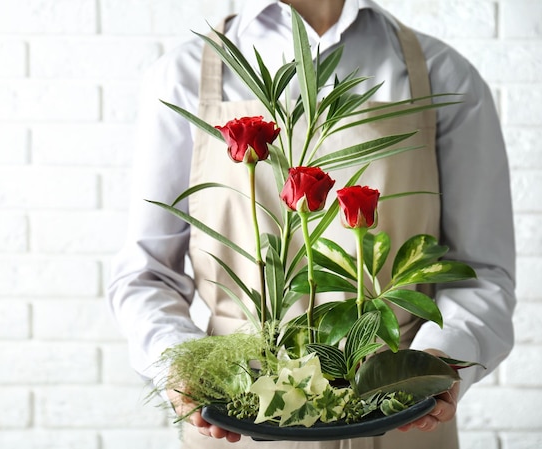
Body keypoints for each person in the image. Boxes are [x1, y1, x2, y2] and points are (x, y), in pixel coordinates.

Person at [108, 0, 516, 448]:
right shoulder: (186, 73)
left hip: (398, 415)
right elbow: (147, 272)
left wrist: (437, 362)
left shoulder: (442, 74)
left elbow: (479, 270)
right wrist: (183, 366)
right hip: (236, 410)